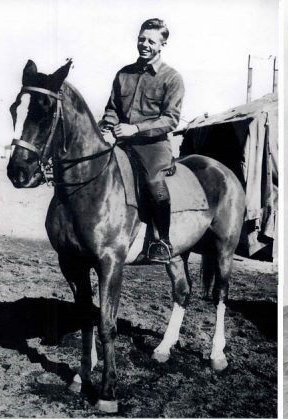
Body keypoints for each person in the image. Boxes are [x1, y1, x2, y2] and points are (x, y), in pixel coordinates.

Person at [98, 18, 185, 264]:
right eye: (141, 39)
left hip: (152, 145)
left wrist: (135, 128)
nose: (144, 44)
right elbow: (112, 108)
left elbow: (170, 119)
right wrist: (107, 127)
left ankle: (161, 242)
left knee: (152, 181)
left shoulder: (172, 78)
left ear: (162, 44)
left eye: (151, 41)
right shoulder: (123, 74)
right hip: (120, 139)